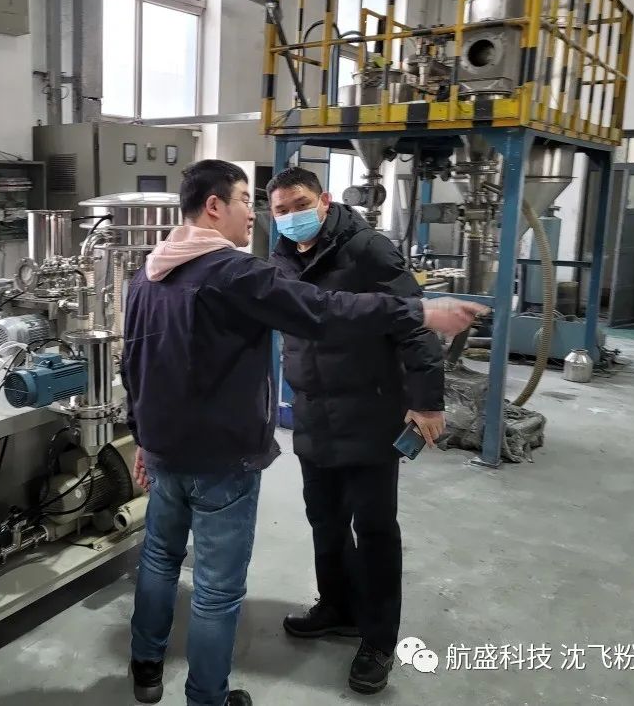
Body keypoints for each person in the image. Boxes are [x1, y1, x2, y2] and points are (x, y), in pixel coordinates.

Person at [121, 159, 484, 706]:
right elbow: (322, 310)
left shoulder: (147, 274)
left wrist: (141, 436)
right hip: (239, 449)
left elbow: (133, 364)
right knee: (227, 582)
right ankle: (213, 694)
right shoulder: (244, 270)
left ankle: (148, 668)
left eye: (295, 207)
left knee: (163, 559)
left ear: (325, 202)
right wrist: (422, 311)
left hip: (351, 416)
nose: (262, 216)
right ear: (214, 206)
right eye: (251, 202)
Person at [267, 166, 445, 695]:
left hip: (369, 411)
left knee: (374, 529)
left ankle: (378, 638)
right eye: (280, 210)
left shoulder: (369, 250)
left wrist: (426, 401)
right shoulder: (281, 257)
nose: (291, 217)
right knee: (324, 520)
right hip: (312, 413)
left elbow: (415, 322)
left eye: (300, 205)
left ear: (324, 201)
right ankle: (338, 607)